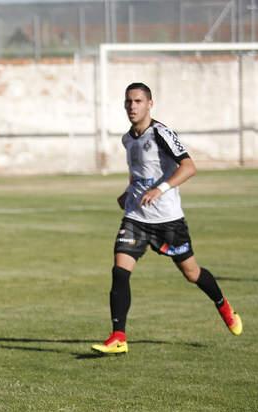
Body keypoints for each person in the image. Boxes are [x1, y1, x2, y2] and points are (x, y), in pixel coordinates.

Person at [92, 82, 242, 355]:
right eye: (128, 102)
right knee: (119, 271)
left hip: (168, 221)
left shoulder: (162, 133)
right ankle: (118, 336)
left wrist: (159, 190)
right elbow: (139, 173)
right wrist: (128, 193)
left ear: (150, 103)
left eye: (138, 101)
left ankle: (223, 304)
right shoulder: (127, 139)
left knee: (192, 273)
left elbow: (189, 167)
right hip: (136, 217)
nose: (132, 107)